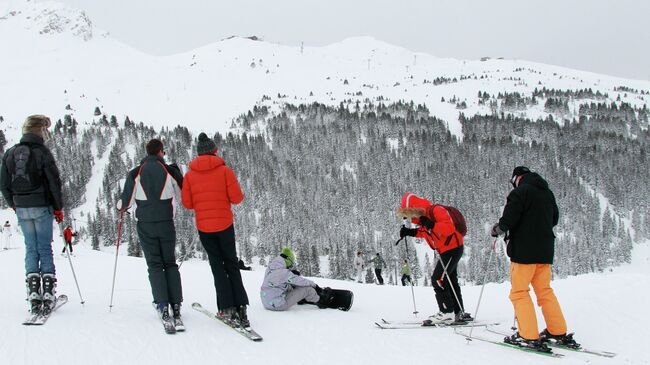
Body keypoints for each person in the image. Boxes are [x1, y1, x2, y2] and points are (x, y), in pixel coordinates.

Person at [491, 166, 579, 350]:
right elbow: (554, 219)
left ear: (517, 178)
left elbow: (509, 219)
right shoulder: (547, 193)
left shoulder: (520, 192)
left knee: (519, 292)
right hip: (545, 251)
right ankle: (557, 330)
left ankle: (528, 335)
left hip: (524, 252)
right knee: (544, 291)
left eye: (512, 181)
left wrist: (498, 229)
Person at [181, 133, 251, 327]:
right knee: (231, 264)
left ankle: (226, 308)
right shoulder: (225, 171)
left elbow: (187, 203)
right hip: (225, 225)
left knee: (217, 266)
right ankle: (241, 308)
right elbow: (237, 198)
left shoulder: (189, 175)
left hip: (205, 227)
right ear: (214, 151)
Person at [0, 115, 64, 314]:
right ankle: (48, 292)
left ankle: (33, 292)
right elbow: (54, 182)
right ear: (40, 132)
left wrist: (14, 204)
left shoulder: (10, 153)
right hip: (41, 205)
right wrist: (58, 207)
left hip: (22, 206)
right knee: (44, 247)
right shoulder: (42, 152)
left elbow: (3, 184)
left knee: (31, 248)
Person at [118, 138, 184, 329]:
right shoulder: (169, 171)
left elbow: (125, 203)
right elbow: (184, 194)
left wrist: (120, 207)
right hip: (166, 222)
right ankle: (176, 305)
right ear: (161, 152)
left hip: (145, 224)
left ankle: (162, 304)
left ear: (147, 153)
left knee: (154, 265)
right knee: (169, 263)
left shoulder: (136, 172)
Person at [398, 192, 471, 324]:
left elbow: (448, 229)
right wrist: (410, 232)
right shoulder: (424, 218)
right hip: (446, 250)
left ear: (416, 208)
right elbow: (425, 232)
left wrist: (431, 224)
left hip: (452, 248)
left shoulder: (437, 210)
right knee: (449, 280)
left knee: (438, 279)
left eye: (410, 213)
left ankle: (446, 312)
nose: (410, 217)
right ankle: (458, 312)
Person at [260, 247, 329, 311]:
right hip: (277, 305)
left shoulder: (270, 268)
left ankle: (300, 299)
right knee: (308, 290)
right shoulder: (284, 273)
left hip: (266, 301)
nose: (291, 265)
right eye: (291, 263)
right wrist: (315, 286)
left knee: (290, 285)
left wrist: (291, 273)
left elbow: (277, 280)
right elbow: (301, 281)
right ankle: (321, 301)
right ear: (288, 260)